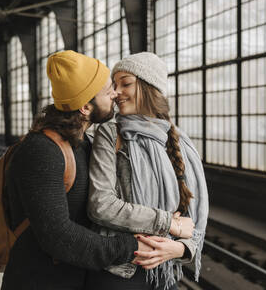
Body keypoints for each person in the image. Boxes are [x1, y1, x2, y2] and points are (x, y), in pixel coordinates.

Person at [2, 50, 146, 289]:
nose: (115, 93)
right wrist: (132, 246)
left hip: (76, 279)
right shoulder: (41, 151)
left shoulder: (84, 144)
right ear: (85, 108)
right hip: (39, 281)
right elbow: (58, 236)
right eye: (108, 89)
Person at [87, 52, 209, 289]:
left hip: (165, 271)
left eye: (126, 83)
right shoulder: (110, 134)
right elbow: (100, 204)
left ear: (148, 86)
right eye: (115, 85)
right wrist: (167, 224)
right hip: (120, 271)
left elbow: (192, 213)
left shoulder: (179, 141)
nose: (116, 92)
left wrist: (181, 247)